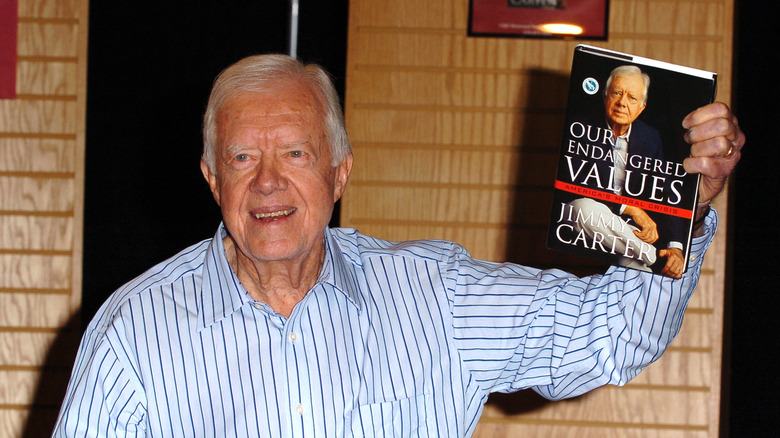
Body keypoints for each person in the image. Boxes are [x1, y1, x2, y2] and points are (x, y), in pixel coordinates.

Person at [53, 54, 744, 437]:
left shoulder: (436, 297)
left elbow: (611, 334)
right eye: (240, 158)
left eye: (295, 152)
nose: (267, 182)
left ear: (339, 172)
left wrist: (682, 206)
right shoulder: (133, 332)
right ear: (211, 179)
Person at [562, 65, 687, 277]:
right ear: (605, 97)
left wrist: (675, 247)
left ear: (642, 108)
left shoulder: (650, 137)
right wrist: (632, 209)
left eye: (632, 98)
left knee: (635, 272)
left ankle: (648, 261)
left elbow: (667, 191)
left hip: (625, 233)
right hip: (590, 217)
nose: (622, 103)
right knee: (582, 208)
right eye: (617, 93)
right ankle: (653, 258)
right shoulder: (580, 127)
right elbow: (577, 183)